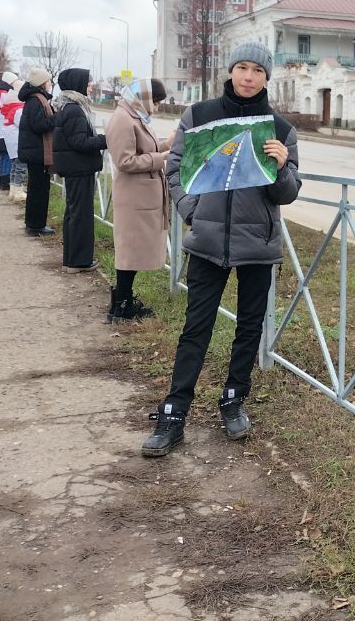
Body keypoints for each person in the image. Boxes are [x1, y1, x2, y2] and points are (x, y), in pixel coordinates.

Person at [142, 42, 301, 456]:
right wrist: (191, 210)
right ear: (230, 71)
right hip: (208, 242)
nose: (248, 77)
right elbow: (175, 168)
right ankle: (174, 411)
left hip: (257, 245)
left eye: (258, 71)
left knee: (248, 329)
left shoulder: (280, 129)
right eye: (242, 68)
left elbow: (288, 195)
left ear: (268, 77)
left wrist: (282, 167)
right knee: (197, 326)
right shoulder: (200, 116)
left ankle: (234, 399)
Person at [106, 78, 169, 323]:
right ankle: (121, 306)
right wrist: (160, 158)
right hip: (133, 196)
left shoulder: (134, 115)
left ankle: (123, 301)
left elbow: (146, 149)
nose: (157, 107)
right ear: (144, 98)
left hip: (140, 194)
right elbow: (125, 161)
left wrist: (167, 145)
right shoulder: (123, 119)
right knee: (128, 252)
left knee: (132, 252)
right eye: (156, 101)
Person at [53, 67, 107, 272]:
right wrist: (104, 140)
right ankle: (79, 261)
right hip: (79, 168)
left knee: (74, 214)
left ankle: (72, 259)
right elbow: (80, 142)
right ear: (77, 85)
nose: (90, 87)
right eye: (87, 83)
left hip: (75, 168)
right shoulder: (75, 109)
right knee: (80, 216)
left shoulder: (68, 106)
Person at [18, 68, 56, 237]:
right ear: (42, 83)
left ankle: (34, 223)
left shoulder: (35, 100)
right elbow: (39, 125)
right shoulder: (36, 101)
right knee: (38, 190)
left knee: (37, 189)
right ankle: (35, 225)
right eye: (48, 81)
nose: (50, 84)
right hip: (36, 152)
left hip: (35, 151)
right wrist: (57, 118)